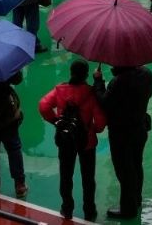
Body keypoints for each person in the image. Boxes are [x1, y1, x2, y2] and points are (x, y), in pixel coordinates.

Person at [39, 60, 107, 221]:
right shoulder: (91, 94)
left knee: (65, 175)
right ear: (85, 74)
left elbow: (43, 106)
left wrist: (55, 121)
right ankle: (89, 210)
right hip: (87, 142)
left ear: (71, 72)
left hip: (66, 139)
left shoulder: (60, 90)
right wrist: (93, 130)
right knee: (88, 178)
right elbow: (100, 122)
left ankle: (67, 208)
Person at [93, 64, 152, 220]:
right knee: (136, 164)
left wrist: (98, 82)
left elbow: (104, 103)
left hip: (121, 132)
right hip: (140, 128)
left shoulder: (118, 81)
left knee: (124, 171)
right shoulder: (147, 74)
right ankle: (136, 199)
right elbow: (149, 93)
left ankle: (128, 209)